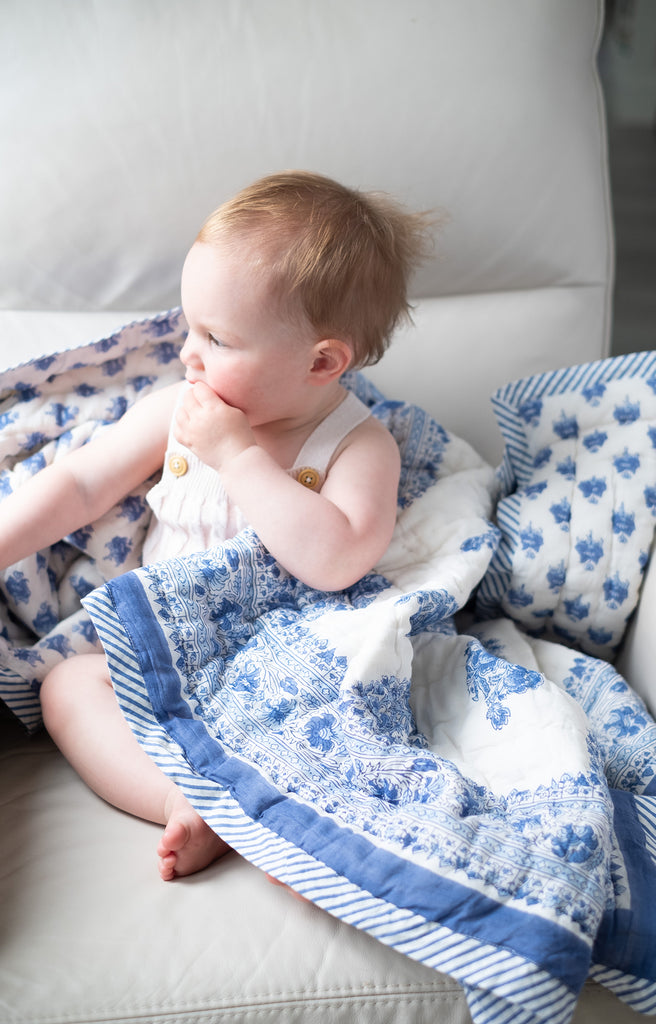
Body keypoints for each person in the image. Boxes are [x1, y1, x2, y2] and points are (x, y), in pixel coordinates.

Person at [0, 171, 432, 880]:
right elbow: (80, 483)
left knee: (340, 726)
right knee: (66, 690)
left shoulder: (357, 446)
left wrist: (237, 457)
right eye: (188, 325)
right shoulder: (180, 406)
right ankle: (181, 799)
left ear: (322, 362)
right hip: (164, 645)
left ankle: (252, 794)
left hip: (276, 665)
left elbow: (337, 560)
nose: (187, 352)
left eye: (216, 337)